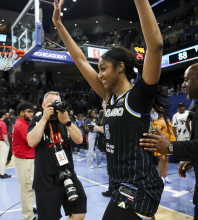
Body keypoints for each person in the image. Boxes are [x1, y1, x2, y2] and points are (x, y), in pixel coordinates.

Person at [52, 0, 167, 219]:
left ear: (121, 67)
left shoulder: (138, 96)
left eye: (104, 69)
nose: (100, 74)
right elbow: (79, 59)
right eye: (99, 70)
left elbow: (155, 46)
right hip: (118, 184)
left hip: (139, 186)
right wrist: (58, 23)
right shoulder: (110, 97)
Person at [139, 63, 198, 220]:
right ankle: (162, 176)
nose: (183, 85)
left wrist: (171, 145)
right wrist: (192, 160)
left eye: (186, 80)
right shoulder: (196, 110)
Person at [27, 91, 86, 220]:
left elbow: (79, 139)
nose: (55, 107)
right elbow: (31, 142)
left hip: (68, 175)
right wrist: (44, 118)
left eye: (57, 103)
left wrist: (68, 122)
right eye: (51, 104)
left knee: (79, 212)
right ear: (43, 105)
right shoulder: (37, 119)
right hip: (45, 180)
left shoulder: (64, 118)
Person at [12, 102, 37, 220]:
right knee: (27, 188)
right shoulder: (21, 124)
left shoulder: (24, 123)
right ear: (22, 113)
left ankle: (30, 208)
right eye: (29, 111)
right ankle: (28, 216)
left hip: (28, 159)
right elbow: (31, 141)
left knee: (31, 186)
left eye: (32, 111)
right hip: (24, 160)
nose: (32, 114)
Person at [153, 112, 176, 184]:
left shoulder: (168, 121)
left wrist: (172, 141)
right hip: (160, 142)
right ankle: (160, 177)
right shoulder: (156, 122)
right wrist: (159, 129)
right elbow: (154, 132)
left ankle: (165, 176)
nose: (161, 113)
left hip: (168, 142)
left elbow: (171, 132)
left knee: (167, 159)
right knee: (162, 159)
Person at [0, 110, 11, 179]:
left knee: (0, 158)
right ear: (3, 116)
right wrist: (7, 143)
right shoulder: (2, 123)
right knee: (3, 158)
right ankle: (2, 173)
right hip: (2, 142)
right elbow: (4, 134)